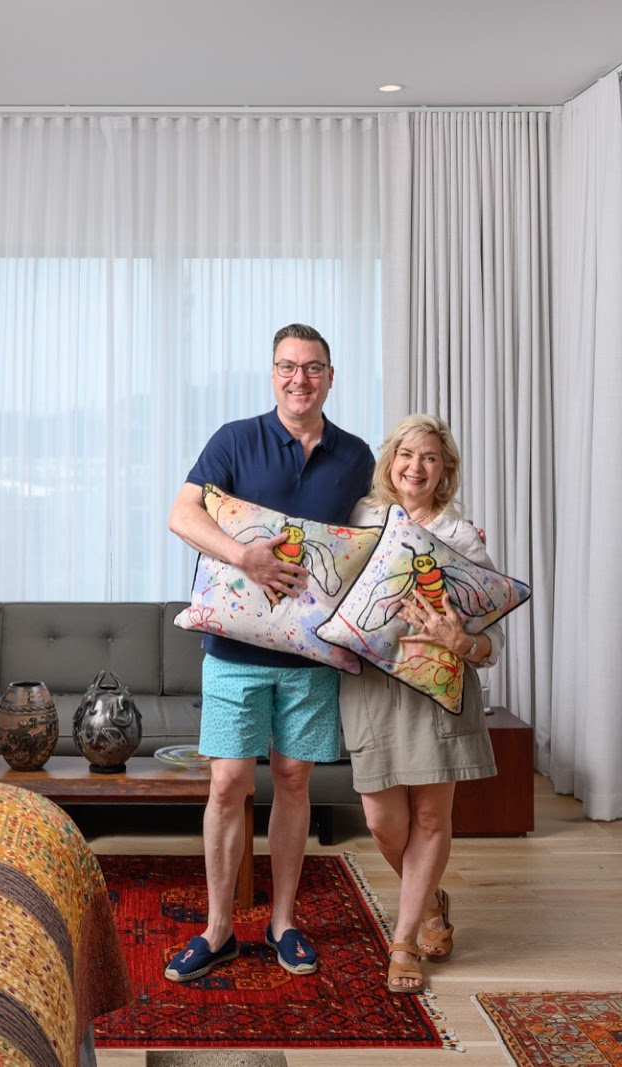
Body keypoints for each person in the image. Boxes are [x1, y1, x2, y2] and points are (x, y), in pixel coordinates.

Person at [164, 323, 375, 981]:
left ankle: (284, 921)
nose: (298, 379)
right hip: (231, 650)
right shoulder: (234, 440)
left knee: (292, 780)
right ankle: (219, 928)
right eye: (287, 366)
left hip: (311, 657)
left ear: (330, 377)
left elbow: (382, 538)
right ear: (272, 371)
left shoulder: (357, 456)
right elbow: (182, 514)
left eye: (312, 368)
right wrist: (243, 556)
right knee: (228, 781)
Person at [337, 413, 506, 992]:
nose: (416, 467)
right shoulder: (361, 519)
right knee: (383, 822)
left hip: (439, 684)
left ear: (445, 470)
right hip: (371, 686)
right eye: (407, 455)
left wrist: (466, 642)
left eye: (430, 457)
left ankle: (404, 942)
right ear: (390, 462)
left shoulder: (462, 539)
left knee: (432, 817)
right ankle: (431, 902)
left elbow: (492, 636)